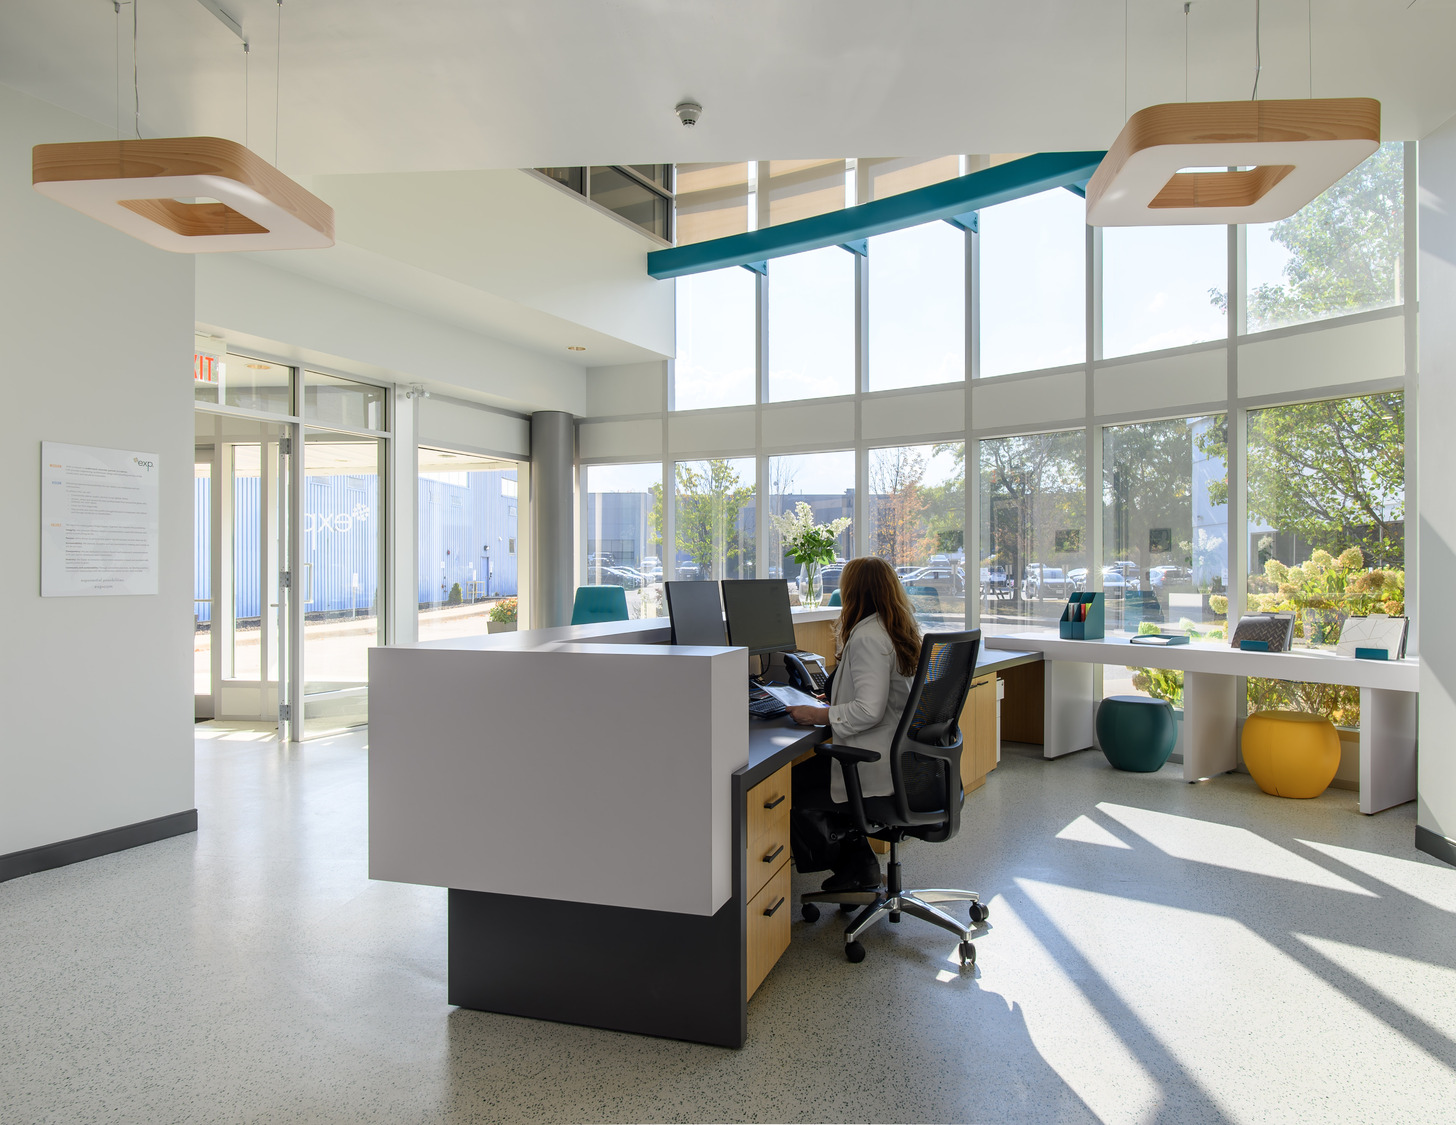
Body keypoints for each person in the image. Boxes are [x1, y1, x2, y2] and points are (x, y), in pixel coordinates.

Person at [786, 555, 923, 893]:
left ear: (854, 593)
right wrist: (834, 703)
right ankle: (858, 864)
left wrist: (820, 715)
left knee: (789, 787)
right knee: (807, 776)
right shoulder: (895, 629)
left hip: (874, 762)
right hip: (906, 763)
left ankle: (855, 867)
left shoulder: (867, 638)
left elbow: (868, 710)